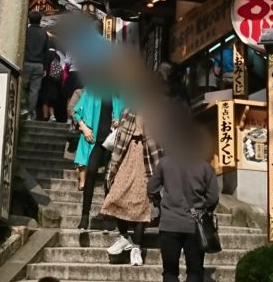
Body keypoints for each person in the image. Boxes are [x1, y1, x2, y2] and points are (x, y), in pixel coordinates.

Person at [147, 127, 219, 282]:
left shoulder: (165, 163)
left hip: (169, 224)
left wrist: (159, 203)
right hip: (195, 224)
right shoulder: (206, 168)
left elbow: (152, 188)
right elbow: (213, 198)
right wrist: (204, 209)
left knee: (170, 272)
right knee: (195, 271)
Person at [100, 103, 163, 266]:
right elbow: (120, 138)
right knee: (116, 196)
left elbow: (158, 142)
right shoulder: (127, 111)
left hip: (145, 159)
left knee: (142, 203)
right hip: (126, 156)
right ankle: (123, 236)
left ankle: (136, 247)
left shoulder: (156, 111)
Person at [73, 86, 124, 228]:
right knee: (91, 172)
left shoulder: (119, 95)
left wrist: (120, 121)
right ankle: (85, 216)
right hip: (96, 142)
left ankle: (108, 217)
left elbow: (128, 115)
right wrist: (84, 128)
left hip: (112, 142)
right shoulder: (91, 92)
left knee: (110, 180)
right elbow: (76, 112)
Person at [23, 10, 53, 119]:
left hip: (26, 62)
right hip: (39, 64)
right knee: (34, 90)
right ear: (40, 20)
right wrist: (45, 67)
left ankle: (22, 109)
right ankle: (31, 113)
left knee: (22, 87)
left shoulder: (25, 31)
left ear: (29, 20)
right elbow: (47, 51)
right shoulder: (44, 33)